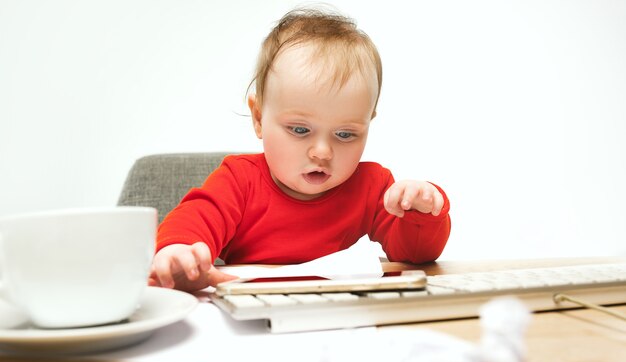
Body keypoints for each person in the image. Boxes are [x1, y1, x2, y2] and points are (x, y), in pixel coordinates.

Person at [150, 7, 451, 292]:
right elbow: (196, 218)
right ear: (258, 118)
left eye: (345, 134)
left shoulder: (371, 186)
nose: (322, 152)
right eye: (300, 130)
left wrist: (421, 211)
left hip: (333, 313)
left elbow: (415, 255)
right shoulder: (240, 180)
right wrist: (179, 252)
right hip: (253, 312)